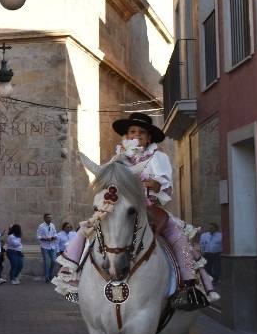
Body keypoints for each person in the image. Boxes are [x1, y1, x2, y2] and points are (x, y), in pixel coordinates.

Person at [60, 112, 208, 310]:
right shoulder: (118, 157)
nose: (136, 135)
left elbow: (160, 185)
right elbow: (107, 178)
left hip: (149, 207)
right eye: (132, 131)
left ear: (149, 137)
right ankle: (75, 280)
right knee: (87, 230)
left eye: (141, 132)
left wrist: (146, 183)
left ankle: (189, 287)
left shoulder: (158, 157)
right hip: (117, 206)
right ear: (126, 135)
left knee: (177, 236)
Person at [37, 213, 59, 283]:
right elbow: (38, 236)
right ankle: (47, 277)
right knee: (47, 262)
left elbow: (55, 233)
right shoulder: (41, 226)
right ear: (45, 218)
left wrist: (54, 237)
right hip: (45, 246)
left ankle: (50, 274)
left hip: (52, 246)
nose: (50, 219)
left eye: (50, 217)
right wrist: (45, 239)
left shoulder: (52, 225)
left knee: (54, 261)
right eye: (48, 217)